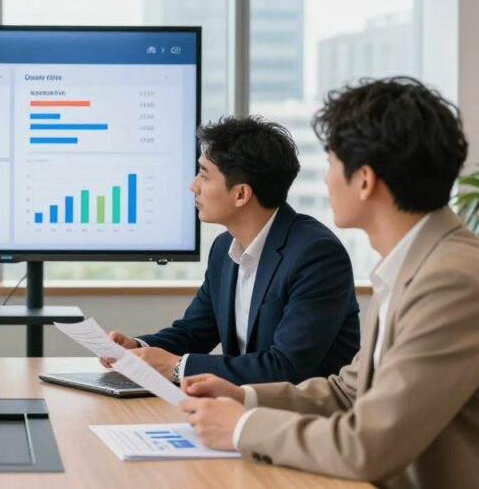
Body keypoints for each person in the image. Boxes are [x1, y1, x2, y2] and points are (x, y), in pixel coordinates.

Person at [180, 77, 479, 488]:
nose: (326, 180)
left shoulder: (450, 282)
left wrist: (241, 427)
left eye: (330, 164)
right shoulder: (414, 262)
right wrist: (244, 397)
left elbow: (369, 447)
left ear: (364, 180)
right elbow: (350, 392)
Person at [105, 116, 360, 385]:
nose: (194, 186)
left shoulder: (316, 255)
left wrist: (178, 367)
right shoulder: (224, 248)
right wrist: (137, 348)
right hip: (242, 404)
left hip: (301, 409)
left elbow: (286, 367)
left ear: (241, 194)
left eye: (204, 175)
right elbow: (194, 332)